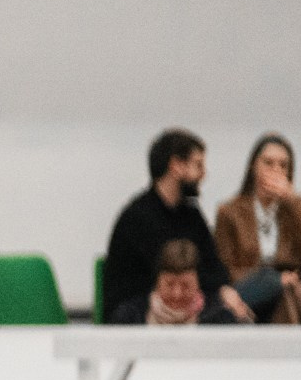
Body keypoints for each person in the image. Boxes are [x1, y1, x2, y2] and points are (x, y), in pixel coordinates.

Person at [103, 129, 251, 324]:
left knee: (233, 312)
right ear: (176, 166)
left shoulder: (191, 214)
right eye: (198, 165)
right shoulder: (136, 217)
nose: (203, 174)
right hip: (139, 315)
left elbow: (214, 267)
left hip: (189, 306)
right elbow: (169, 272)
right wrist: (217, 290)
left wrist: (223, 289)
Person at [212, 133, 301, 325]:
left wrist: (292, 202)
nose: (276, 170)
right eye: (268, 163)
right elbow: (223, 267)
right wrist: (274, 280)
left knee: (291, 296)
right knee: (278, 292)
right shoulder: (230, 211)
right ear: (254, 166)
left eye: (283, 165)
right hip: (251, 292)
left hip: (295, 293)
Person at [109, 239, 242, 325]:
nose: (177, 294)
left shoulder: (220, 319)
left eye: (186, 285)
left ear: (198, 283)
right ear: (157, 282)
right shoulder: (129, 317)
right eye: (169, 284)